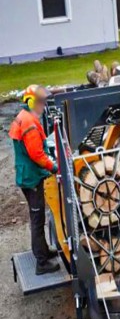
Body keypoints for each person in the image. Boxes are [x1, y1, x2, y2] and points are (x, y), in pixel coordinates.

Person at [9, 85, 60, 275]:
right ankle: (42, 263)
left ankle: (44, 251)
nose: (43, 105)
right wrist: (53, 166)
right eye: (41, 102)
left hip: (27, 175)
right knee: (37, 219)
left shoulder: (25, 116)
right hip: (31, 179)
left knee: (37, 217)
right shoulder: (29, 123)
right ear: (30, 102)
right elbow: (37, 154)